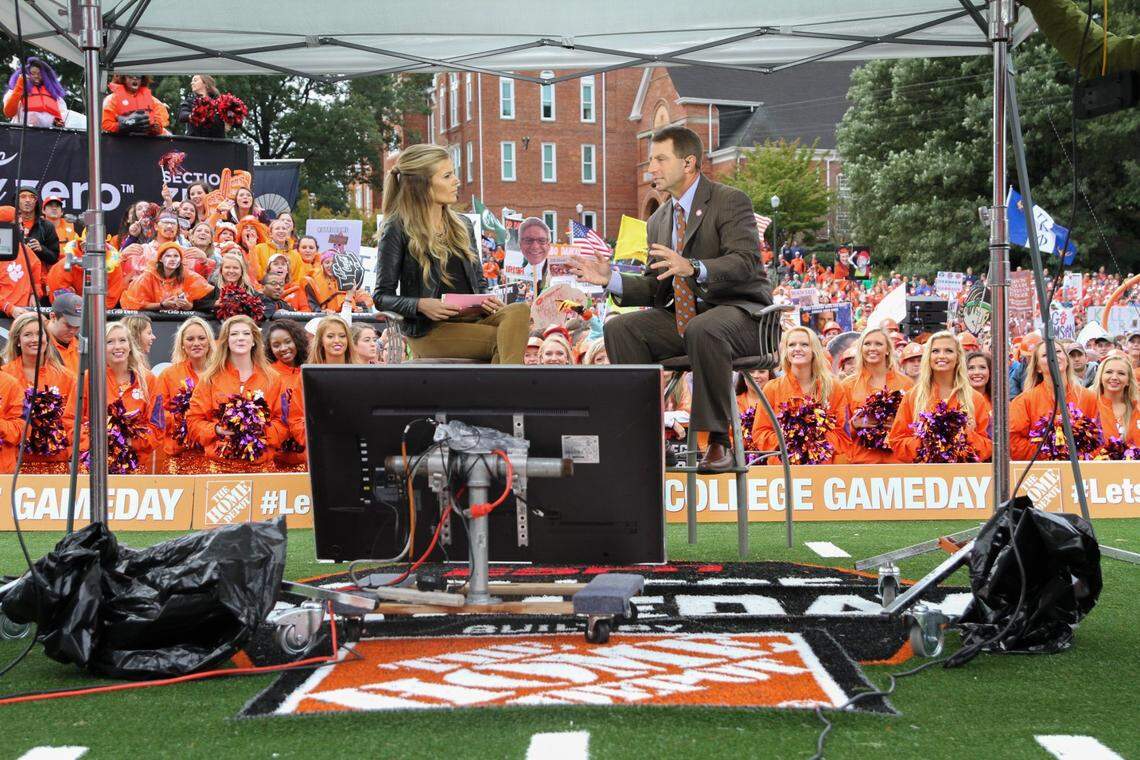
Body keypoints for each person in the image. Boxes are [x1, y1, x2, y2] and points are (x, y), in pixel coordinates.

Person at [570, 126, 771, 472]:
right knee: (621, 329)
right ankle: (648, 439)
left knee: (704, 329)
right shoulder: (658, 220)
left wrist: (693, 267)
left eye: (661, 159)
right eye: (651, 161)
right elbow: (656, 288)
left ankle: (719, 441)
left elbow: (745, 262)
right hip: (687, 320)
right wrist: (611, 278)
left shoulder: (729, 200)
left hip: (742, 317)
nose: (652, 169)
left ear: (689, 162)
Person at [375, 144, 529, 363]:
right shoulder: (397, 227)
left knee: (520, 310)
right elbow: (381, 297)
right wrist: (420, 305)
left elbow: (480, 284)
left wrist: (488, 301)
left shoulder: (463, 225)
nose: (456, 181)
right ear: (422, 184)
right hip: (429, 330)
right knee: (503, 341)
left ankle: (500, 394)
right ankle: (509, 396)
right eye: (447, 176)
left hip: (471, 320)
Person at [186, 315, 286, 470]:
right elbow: (193, 421)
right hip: (219, 468)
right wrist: (217, 430)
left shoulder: (273, 378)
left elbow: (283, 422)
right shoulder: (210, 378)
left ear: (254, 340)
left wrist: (259, 433)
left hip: (260, 468)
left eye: (246, 333)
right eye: (234, 334)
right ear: (226, 341)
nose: (240, 338)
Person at [888, 331, 993, 463]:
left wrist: (968, 433)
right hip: (924, 477)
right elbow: (896, 442)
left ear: (958, 357)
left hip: (962, 478)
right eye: (935, 351)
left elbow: (987, 448)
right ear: (928, 357)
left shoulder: (975, 398)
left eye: (948, 351)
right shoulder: (912, 396)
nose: (941, 356)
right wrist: (927, 440)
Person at [752, 326, 849, 465]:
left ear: (814, 350)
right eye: (792, 345)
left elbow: (842, 435)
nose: (797, 348)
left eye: (804, 344)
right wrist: (790, 441)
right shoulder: (772, 388)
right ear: (786, 351)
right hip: (782, 470)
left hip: (822, 470)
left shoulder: (833, 387)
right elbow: (760, 432)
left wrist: (813, 439)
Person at [2, 312, 78, 469]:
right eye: (28, 334)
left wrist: (69, 451)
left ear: (47, 339)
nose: (35, 339)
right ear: (17, 341)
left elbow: (75, 420)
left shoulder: (68, 378)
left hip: (57, 463)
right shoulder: (5, 376)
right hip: (15, 465)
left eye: (39, 334)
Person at [1009, 338, 1101, 461]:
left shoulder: (1090, 398)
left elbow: (1101, 438)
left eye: (1057, 351)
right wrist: (1050, 455)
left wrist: (1081, 457)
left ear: (1067, 361)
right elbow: (1013, 442)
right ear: (1038, 368)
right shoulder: (1024, 401)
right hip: (1042, 475)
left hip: (1082, 473)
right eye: (1045, 354)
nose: (1053, 356)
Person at [89, 321, 160, 474]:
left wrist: (131, 442)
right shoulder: (90, 378)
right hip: (95, 467)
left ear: (130, 345)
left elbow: (157, 426)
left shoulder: (148, 380)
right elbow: (73, 421)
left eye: (122, 340)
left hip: (136, 466)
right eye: (110, 342)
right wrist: (100, 441)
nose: (117, 346)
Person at [842, 327, 913, 464]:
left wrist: (898, 426)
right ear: (861, 349)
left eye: (878, 344)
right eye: (867, 344)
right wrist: (853, 425)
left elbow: (916, 427)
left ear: (887, 350)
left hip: (898, 464)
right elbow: (838, 432)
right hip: (861, 464)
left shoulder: (906, 384)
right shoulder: (847, 385)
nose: (872, 348)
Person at [154, 317, 215, 463]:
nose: (196, 343)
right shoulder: (168, 374)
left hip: (213, 456)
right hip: (178, 455)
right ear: (182, 344)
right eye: (190, 339)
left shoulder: (220, 373)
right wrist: (183, 419)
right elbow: (157, 413)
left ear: (209, 342)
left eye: (201, 338)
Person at [119, 242, 215, 311]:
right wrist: (162, 305)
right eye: (168, 256)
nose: (172, 259)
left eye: (176, 256)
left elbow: (197, 304)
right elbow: (136, 304)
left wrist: (187, 305)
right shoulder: (148, 276)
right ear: (160, 259)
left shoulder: (189, 276)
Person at [265, 320, 309, 468]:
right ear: (270, 349)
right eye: (276, 345)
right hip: (277, 458)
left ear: (297, 340)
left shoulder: (309, 370)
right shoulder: (267, 375)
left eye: (287, 342)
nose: (283, 348)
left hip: (307, 456)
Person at [0, 205, 44, 316]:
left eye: (21, 224)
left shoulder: (25, 249)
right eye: (16, 224)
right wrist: (10, 308)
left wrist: (34, 293)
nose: (21, 228)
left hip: (23, 313)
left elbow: (36, 272)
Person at [4, 57, 68, 128]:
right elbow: (9, 112)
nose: (36, 76)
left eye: (40, 74)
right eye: (33, 73)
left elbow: (63, 116)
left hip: (49, 136)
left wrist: (58, 123)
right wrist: (19, 86)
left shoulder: (55, 96)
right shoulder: (15, 90)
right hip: (22, 134)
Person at [1094, 353, 1140, 450]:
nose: (1114, 377)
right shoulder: (1091, 406)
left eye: (1121, 373)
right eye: (1109, 372)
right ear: (1101, 377)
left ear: (1128, 381)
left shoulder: (1137, 407)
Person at [101, 74, 169, 135]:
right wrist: (126, 124)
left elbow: (159, 127)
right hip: (120, 144)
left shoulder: (153, 101)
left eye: (138, 76)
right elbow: (106, 125)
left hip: (146, 144)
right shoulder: (111, 99)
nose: (135, 78)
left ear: (142, 79)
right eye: (130, 76)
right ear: (123, 78)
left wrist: (154, 127)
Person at [16, 188, 60, 268]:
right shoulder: (10, 224)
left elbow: (54, 258)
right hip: (14, 274)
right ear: (16, 200)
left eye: (32, 197)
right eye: (23, 196)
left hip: (39, 277)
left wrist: (41, 249)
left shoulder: (46, 226)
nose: (28, 200)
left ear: (36, 202)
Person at [251, 218, 303, 283]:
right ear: (270, 234)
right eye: (277, 228)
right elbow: (254, 272)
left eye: (284, 229)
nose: (281, 231)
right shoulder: (259, 249)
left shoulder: (296, 255)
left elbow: (297, 280)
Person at [46, 291, 83, 376]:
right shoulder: (38, 343)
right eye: (68, 325)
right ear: (53, 317)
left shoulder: (81, 342)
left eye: (77, 326)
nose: (73, 331)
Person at [517, 217, 554, 294]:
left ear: (549, 245)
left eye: (542, 240)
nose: (535, 246)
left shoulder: (557, 274)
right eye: (528, 240)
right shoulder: (513, 275)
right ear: (520, 245)